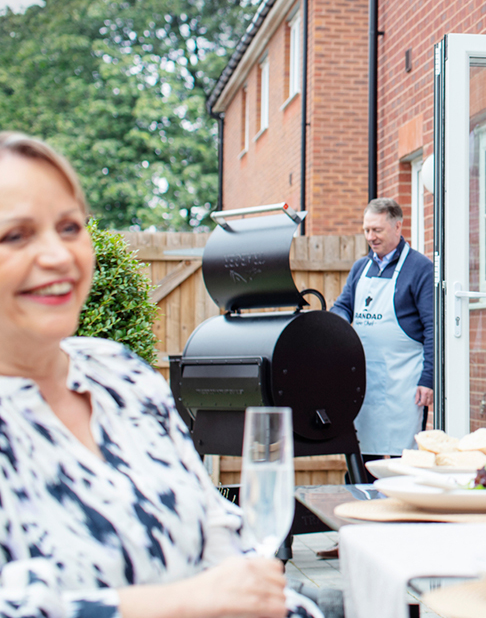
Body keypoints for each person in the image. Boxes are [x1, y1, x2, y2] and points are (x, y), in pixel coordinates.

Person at [0, 132, 321, 618]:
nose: (58, 256)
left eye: (69, 228)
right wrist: (186, 604)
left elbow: (217, 528)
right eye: (16, 235)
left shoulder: (119, 373)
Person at [332, 198, 434, 463]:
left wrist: (428, 378)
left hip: (405, 381)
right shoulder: (360, 268)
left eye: (377, 230)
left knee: (406, 458)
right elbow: (343, 306)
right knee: (362, 456)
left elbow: (433, 328)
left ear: (398, 227)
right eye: (367, 230)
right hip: (364, 381)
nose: (371, 237)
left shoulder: (419, 269)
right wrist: (337, 322)